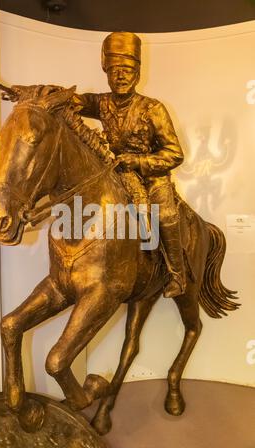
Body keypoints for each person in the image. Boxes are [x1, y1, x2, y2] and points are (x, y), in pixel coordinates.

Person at [73, 32, 186, 298]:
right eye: (115, 71)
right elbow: (72, 101)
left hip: (152, 177)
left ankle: (177, 275)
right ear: (107, 74)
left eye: (127, 70)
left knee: (166, 214)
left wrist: (138, 161)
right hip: (115, 175)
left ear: (137, 73)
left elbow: (174, 154)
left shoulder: (153, 109)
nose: (121, 76)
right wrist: (41, 95)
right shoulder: (100, 103)